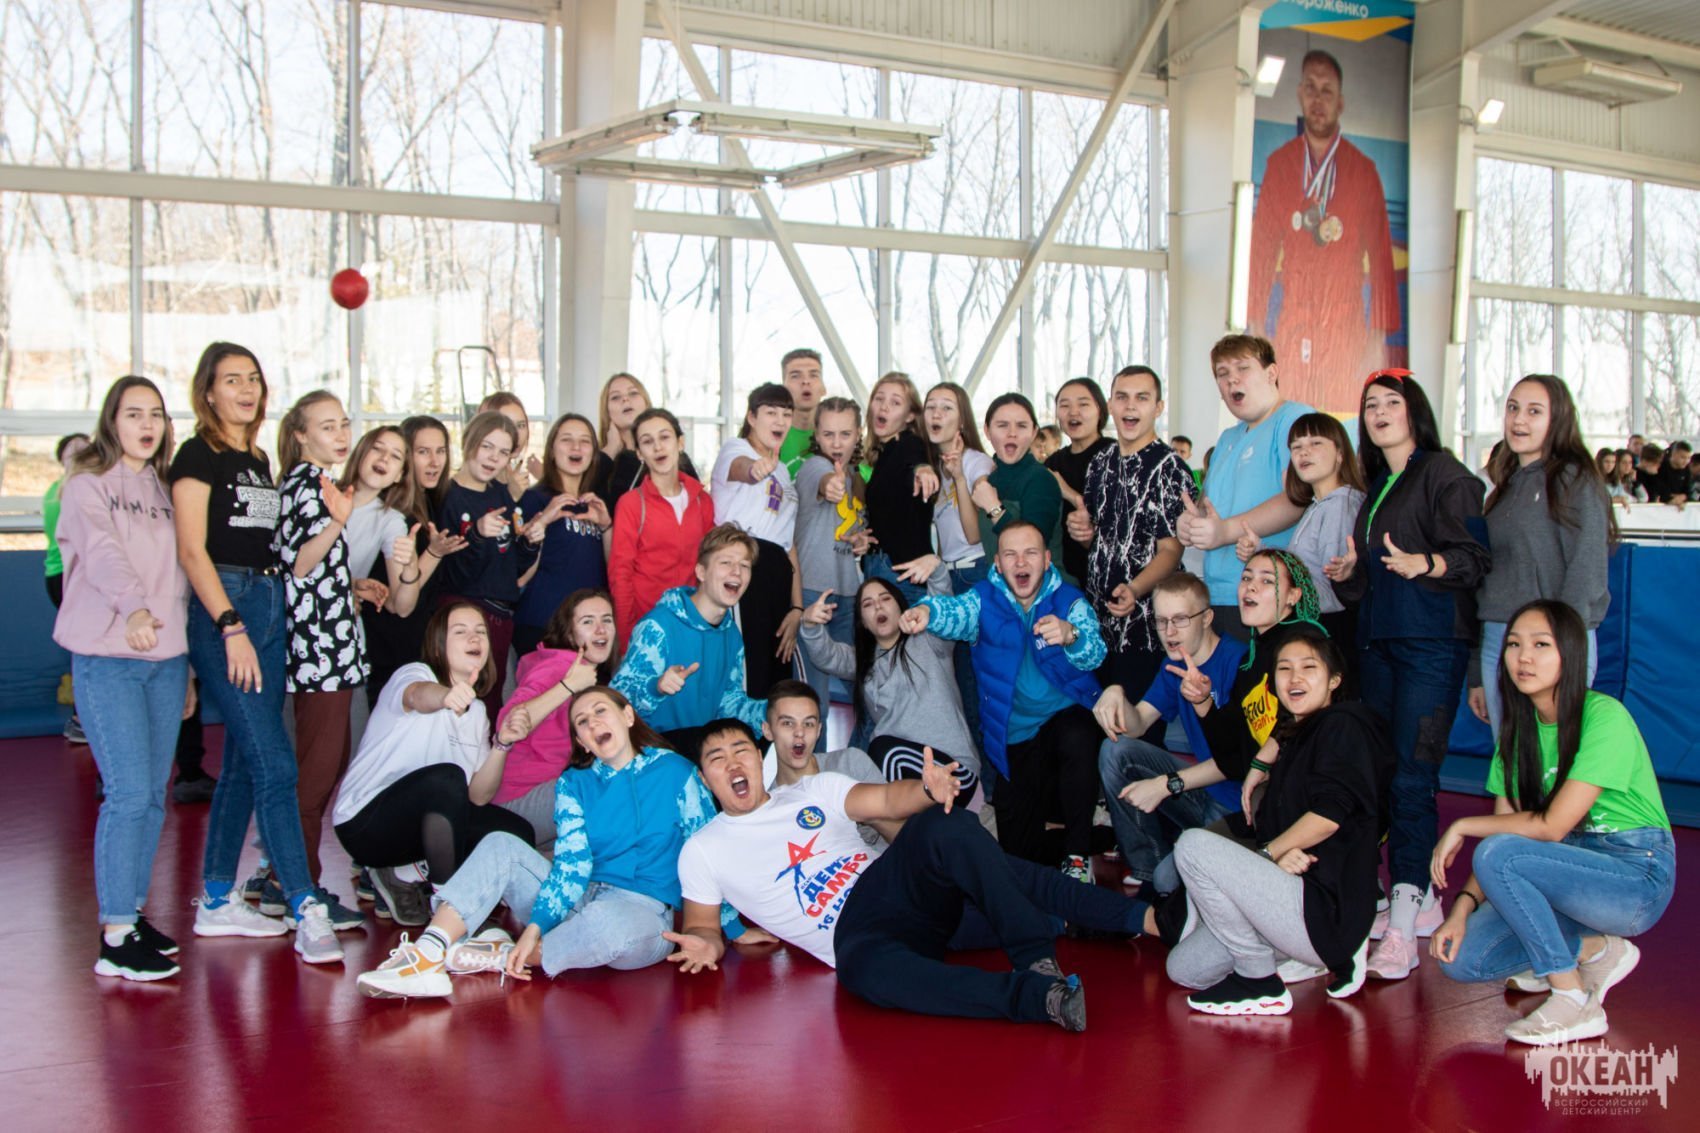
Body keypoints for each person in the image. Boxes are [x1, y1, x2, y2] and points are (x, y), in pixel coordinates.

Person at [671, 718, 1151, 1030]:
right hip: (855, 938)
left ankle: (1047, 954)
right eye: (717, 758)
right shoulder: (703, 849)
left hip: (893, 887)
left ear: (759, 758)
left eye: (741, 750)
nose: (733, 763)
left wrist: (924, 789)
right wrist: (706, 944)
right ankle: (1040, 997)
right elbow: (702, 926)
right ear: (705, 778)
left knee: (948, 826)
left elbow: (885, 800)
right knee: (864, 975)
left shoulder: (812, 790)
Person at [356, 686, 730, 998]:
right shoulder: (574, 783)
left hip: (642, 915)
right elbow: (571, 864)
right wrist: (535, 925)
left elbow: (708, 851)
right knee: (501, 845)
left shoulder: (675, 771)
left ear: (628, 716)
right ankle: (428, 954)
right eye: (582, 722)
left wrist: (729, 930)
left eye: (601, 711)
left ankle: (505, 955)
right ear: (582, 742)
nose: (593, 722)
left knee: (607, 923)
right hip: (579, 898)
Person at [1431, 600, 1675, 1046]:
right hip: (1567, 871)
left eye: (1541, 645)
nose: (1524, 657)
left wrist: (1461, 825)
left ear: (1571, 654)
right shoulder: (1517, 734)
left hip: (1635, 875)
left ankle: (1571, 999)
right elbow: (1505, 834)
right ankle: (1596, 951)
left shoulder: (1604, 717)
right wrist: (1461, 910)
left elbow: (1549, 829)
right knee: (1463, 959)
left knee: (1501, 849)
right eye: (1514, 644)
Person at [170, 342, 342, 964]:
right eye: (231, 380)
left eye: (253, 379)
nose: (245, 389)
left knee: (246, 762)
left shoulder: (256, 457)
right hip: (230, 608)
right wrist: (229, 625)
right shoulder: (197, 455)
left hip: (269, 604)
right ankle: (304, 903)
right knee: (276, 765)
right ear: (208, 392)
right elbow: (192, 550)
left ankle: (217, 899)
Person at [1329, 369, 1489, 981]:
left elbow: (1475, 559)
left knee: (1413, 779)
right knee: (1384, 774)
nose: (1378, 412)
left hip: (1430, 646)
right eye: (1369, 404)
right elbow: (1374, 582)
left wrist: (1429, 562)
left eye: (1390, 402)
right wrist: (1351, 573)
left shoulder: (1446, 474)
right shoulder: (1378, 487)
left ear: (1415, 411)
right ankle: (1414, 901)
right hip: (1380, 646)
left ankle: (1403, 923)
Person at [1167, 629, 1395, 1014]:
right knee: (1184, 968)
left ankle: (1258, 980)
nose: (1294, 677)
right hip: (1289, 906)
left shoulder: (1344, 723)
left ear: (1334, 680)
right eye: (1284, 669)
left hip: (1325, 911)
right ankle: (1280, 959)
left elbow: (1328, 817)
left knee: (1191, 845)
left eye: (1309, 667)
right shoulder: (1293, 740)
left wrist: (1270, 855)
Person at [54, 378, 192, 980]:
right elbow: (103, 553)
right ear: (112, 421)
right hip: (108, 655)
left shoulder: (164, 489)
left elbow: (182, 575)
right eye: (134, 414)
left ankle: (130, 914)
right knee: (128, 792)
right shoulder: (85, 486)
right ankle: (114, 936)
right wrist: (134, 609)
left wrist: (186, 664)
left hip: (166, 660)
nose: (147, 424)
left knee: (154, 794)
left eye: (156, 414)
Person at [901, 522, 1105, 879]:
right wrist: (927, 613)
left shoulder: (1069, 599)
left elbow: (1096, 654)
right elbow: (954, 612)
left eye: (1030, 553)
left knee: (1078, 734)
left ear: (1046, 559)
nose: (1020, 562)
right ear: (997, 562)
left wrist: (1071, 634)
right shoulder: (983, 599)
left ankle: (1077, 855)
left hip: (1065, 724)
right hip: (1015, 737)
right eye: (1010, 554)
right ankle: (1099, 837)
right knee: (1017, 852)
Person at [332, 602, 534, 927]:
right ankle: (451, 905)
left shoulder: (477, 712)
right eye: (461, 631)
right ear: (439, 645)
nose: (474, 638)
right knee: (446, 780)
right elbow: (416, 695)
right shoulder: (415, 673)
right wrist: (444, 697)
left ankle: (404, 873)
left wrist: (502, 743)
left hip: (418, 830)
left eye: (480, 632)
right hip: (365, 824)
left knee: (515, 833)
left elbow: (479, 796)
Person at [1248, 49, 1400, 414]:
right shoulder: (1280, 165)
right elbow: (1260, 253)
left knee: (1342, 428)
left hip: (1345, 332)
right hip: (1293, 323)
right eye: (1311, 89)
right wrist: (1255, 329)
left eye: (1327, 91)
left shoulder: (1363, 171)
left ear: (1340, 102)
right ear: (1300, 94)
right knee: (1290, 423)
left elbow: (1382, 259)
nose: (1318, 100)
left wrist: (1376, 341)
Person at [273, 391, 372, 928]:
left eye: (343, 424)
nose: (340, 434)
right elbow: (298, 562)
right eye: (326, 425)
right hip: (318, 653)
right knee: (313, 777)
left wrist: (352, 588)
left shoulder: (320, 484)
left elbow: (316, 572)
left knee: (328, 765)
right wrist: (338, 522)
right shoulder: (307, 485)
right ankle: (297, 887)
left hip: (333, 648)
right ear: (300, 435)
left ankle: (290, 878)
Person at [1469, 376, 1613, 738]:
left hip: (1553, 641)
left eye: (1534, 411)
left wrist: (1558, 644)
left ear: (1557, 419)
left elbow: (1587, 569)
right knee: (1509, 759)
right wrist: (1476, 671)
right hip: (1499, 639)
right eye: (1513, 408)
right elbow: (1488, 581)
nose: (1519, 420)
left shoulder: (1575, 480)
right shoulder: (1504, 486)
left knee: (1550, 758)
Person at [1096, 573, 1247, 892]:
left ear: (1206, 618)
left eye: (1180, 619)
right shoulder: (1173, 665)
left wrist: (1165, 784)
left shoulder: (1239, 661)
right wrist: (1115, 692)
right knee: (1115, 750)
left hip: (1238, 804)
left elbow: (1237, 762)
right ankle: (1147, 867)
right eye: (1161, 621)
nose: (1169, 632)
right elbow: (1137, 725)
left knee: (1170, 882)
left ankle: (1170, 874)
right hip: (1202, 791)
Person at [1176, 335, 1313, 638]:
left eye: (1243, 368)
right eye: (1222, 373)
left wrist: (1225, 531)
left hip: (1271, 597)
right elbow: (1208, 505)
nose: (1232, 379)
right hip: (1220, 593)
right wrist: (1192, 523)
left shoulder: (1294, 419)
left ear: (1271, 373)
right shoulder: (1228, 438)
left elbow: (1297, 498)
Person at [1068, 365, 1191, 701]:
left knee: (1136, 723)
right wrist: (1083, 533)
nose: (1131, 406)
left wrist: (1135, 589)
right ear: (1110, 404)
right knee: (1100, 719)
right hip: (1098, 622)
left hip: (1145, 627)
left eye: (1142, 398)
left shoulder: (1170, 469)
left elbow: (1172, 551)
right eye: (1122, 397)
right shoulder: (1100, 462)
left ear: (1158, 407)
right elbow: (1103, 541)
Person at [800, 576, 981, 797]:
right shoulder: (863, 661)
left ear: (900, 608)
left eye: (885, 599)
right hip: (901, 769)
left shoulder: (930, 640)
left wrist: (936, 570)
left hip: (953, 772)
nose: (878, 606)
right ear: (863, 622)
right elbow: (827, 656)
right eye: (868, 604)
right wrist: (809, 624)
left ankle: (895, 814)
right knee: (842, 766)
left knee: (884, 751)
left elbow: (941, 604)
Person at [611, 523, 769, 756]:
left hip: (702, 751)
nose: (737, 571)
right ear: (701, 572)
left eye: (744, 565)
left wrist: (771, 711)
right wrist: (657, 687)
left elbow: (727, 703)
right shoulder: (659, 626)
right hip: (654, 753)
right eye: (726, 562)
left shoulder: (732, 634)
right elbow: (617, 701)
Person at [435, 410, 539, 723]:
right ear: (469, 442)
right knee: (460, 698)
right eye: (487, 446)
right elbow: (452, 574)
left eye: (504, 452)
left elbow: (512, 564)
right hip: (465, 612)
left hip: (502, 614)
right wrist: (477, 535)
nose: (494, 457)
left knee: (491, 700)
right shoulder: (448, 497)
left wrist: (531, 542)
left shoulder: (500, 494)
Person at [492, 588, 615, 845]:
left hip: (546, 789)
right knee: (611, 788)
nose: (601, 629)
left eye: (607, 619)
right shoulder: (557, 667)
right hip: (517, 801)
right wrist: (567, 686)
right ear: (569, 634)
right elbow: (508, 723)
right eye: (588, 622)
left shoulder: (589, 673)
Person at [361, 415, 465, 710]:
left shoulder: (429, 500)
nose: (434, 461)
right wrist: (434, 553)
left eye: (440, 451)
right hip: (391, 640)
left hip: (419, 636)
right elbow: (400, 598)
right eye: (423, 452)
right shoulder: (394, 512)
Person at [1238, 412, 1366, 647]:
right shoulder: (1318, 505)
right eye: (1296, 447)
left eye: (1315, 443)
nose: (1303, 452)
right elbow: (1304, 572)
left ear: (1340, 454)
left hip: (1326, 633)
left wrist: (1286, 594)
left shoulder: (1339, 505)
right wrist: (1260, 550)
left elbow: (1333, 594)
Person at [711, 383, 803, 695]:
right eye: (771, 413)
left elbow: (789, 544)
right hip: (747, 566)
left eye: (786, 414)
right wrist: (755, 469)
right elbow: (742, 469)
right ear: (752, 417)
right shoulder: (736, 448)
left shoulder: (784, 473)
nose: (780, 421)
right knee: (749, 673)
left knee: (776, 677)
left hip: (779, 574)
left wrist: (797, 607)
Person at [923, 382, 994, 741]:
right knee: (953, 681)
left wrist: (961, 479)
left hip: (974, 573)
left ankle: (988, 773)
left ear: (962, 419)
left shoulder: (975, 462)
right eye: (930, 406)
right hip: (947, 578)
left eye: (947, 407)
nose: (936, 414)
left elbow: (973, 534)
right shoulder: (931, 468)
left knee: (973, 682)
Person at [609, 408, 714, 649]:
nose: (658, 447)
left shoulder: (702, 501)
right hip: (648, 628)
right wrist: (626, 640)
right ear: (639, 453)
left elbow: (711, 566)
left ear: (680, 443)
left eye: (664, 437)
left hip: (694, 626)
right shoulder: (631, 504)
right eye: (647, 441)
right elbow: (620, 575)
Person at [515, 413, 612, 658]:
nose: (576, 447)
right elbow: (520, 574)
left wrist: (606, 526)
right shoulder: (535, 499)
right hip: (543, 626)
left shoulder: (594, 503)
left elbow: (610, 567)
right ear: (551, 450)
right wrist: (543, 521)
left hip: (588, 631)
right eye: (567, 439)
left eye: (585, 441)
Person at [792, 397, 866, 717]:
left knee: (863, 690)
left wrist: (861, 539)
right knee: (813, 699)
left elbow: (850, 528)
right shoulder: (814, 467)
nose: (836, 443)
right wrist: (831, 486)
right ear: (817, 435)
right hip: (813, 594)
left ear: (858, 434)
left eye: (845, 434)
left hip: (848, 595)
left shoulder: (855, 477)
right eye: (828, 434)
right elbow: (825, 483)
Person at [860, 372, 941, 606]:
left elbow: (913, 462)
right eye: (879, 399)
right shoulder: (885, 453)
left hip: (901, 573)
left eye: (895, 402)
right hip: (881, 567)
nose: (884, 407)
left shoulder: (908, 443)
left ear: (910, 416)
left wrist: (922, 470)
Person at [973, 394, 1065, 574]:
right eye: (1002, 425)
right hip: (1001, 586)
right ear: (987, 431)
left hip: (1043, 586)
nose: (1012, 433)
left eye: (1022, 426)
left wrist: (993, 507)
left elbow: (1033, 546)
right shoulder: (990, 479)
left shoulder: (1040, 479)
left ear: (1034, 432)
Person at [595, 372, 699, 512]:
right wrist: (610, 450)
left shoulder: (673, 455)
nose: (625, 399)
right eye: (615, 397)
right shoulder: (601, 460)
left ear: (646, 402)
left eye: (633, 393)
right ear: (606, 411)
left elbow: (698, 505)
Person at [46, 432, 92, 745]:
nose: (80, 455)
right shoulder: (65, 492)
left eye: (85, 450)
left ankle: (82, 716)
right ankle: (80, 718)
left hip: (62, 574)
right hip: (67, 575)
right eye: (74, 452)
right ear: (62, 459)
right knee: (86, 645)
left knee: (85, 644)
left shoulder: (65, 488)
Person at [1046, 378, 1113, 592]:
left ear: (1100, 410)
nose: (1073, 412)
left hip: (1107, 576)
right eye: (1064, 405)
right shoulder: (1054, 462)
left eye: (1083, 404)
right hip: (1064, 577)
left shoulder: (1115, 455)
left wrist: (1067, 492)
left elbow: (1117, 524)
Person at [477, 390, 537, 501]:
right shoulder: (477, 480)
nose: (517, 435)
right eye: (507, 425)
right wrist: (511, 496)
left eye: (521, 425)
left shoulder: (515, 477)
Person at [777, 347, 827, 478]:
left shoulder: (838, 437)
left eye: (813, 375)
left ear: (823, 388)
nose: (805, 381)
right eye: (795, 376)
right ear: (783, 388)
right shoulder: (763, 433)